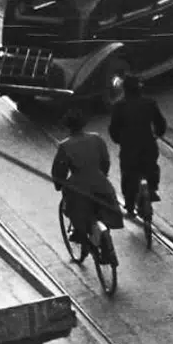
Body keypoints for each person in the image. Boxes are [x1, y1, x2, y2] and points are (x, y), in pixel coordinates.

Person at [50, 110, 123, 263]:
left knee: (73, 210)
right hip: (101, 184)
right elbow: (105, 161)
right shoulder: (96, 139)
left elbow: (59, 171)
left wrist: (59, 184)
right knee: (104, 210)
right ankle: (104, 239)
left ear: (67, 127)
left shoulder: (65, 146)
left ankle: (82, 237)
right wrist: (101, 175)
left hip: (79, 188)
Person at [108, 74, 167, 215]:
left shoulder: (119, 106)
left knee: (128, 175)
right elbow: (161, 123)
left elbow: (113, 129)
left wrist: (119, 140)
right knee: (152, 166)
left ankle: (129, 204)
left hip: (129, 148)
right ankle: (152, 189)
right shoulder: (150, 103)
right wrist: (157, 134)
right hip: (148, 145)